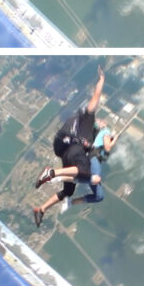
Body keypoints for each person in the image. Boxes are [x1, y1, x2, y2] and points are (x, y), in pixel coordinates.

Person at [32, 66, 105, 227]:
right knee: (84, 170)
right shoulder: (87, 120)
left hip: (67, 156)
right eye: (100, 122)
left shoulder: (90, 135)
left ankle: (41, 209)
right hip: (73, 151)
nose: (101, 123)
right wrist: (102, 81)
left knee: (68, 191)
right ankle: (51, 173)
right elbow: (95, 98)